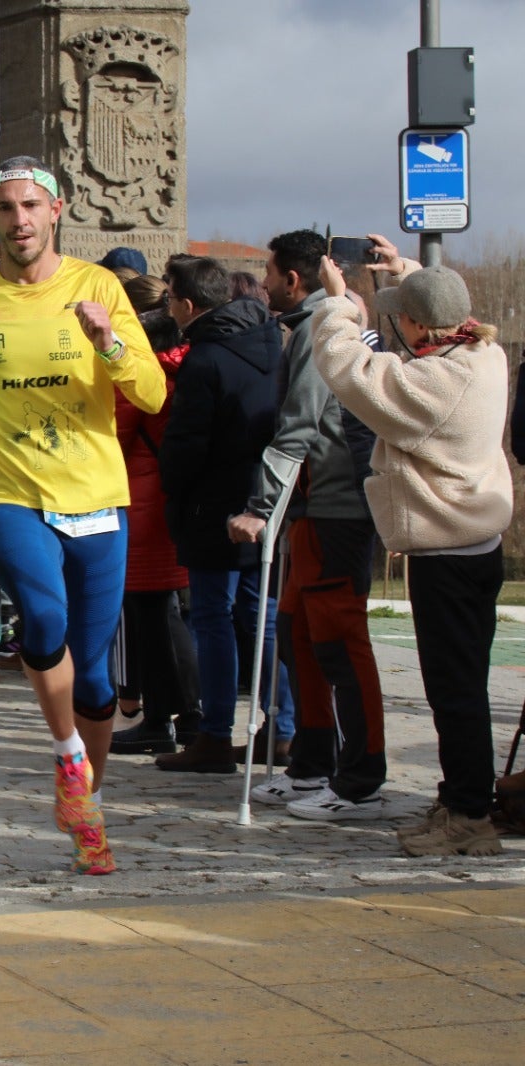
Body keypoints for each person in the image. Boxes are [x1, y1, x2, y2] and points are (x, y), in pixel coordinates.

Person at [0, 156, 164, 877]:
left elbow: (151, 393)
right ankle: (66, 757)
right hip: (9, 489)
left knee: (92, 676)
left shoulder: (97, 288)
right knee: (43, 621)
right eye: (5, 208)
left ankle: (87, 800)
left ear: (56, 211)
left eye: (31, 206)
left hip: (95, 494)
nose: (19, 220)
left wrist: (109, 342)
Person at [313, 239, 512, 856]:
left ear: (420, 326)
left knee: (454, 692)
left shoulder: (434, 382)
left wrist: (341, 304)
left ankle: (470, 818)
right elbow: (442, 310)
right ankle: (459, 799)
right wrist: (405, 273)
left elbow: (349, 370)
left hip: (446, 557)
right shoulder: (486, 353)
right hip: (476, 545)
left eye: (403, 314)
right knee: (461, 685)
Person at [228, 230, 386, 821]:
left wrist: (260, 506)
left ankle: (361, 778)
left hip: (338, 505)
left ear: (295, 280)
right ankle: (314, 762)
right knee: (298, 636)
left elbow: (300, 424)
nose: (265, 283)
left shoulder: (325, 328)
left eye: (270, 274)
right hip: (313, 509)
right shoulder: (312, 324)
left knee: (338, 644)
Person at [155, 256, 293, 773]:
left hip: (214, 502)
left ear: (189, 306)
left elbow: (188, 440)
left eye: (171, 299)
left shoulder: (206, 357)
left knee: (213, 617)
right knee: (262, 617)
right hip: (263, 495)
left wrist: (175, 486)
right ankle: (281, 728)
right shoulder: (270, 340)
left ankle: (214, 733)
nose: (170, 307)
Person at [108, 275, 198, 757]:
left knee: (151, 618)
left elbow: (114, 436)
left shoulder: (146, 380)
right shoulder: (186, 368)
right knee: (169, 614)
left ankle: (164, 717)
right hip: (168, 499)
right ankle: (184, 715)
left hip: (142, 501)